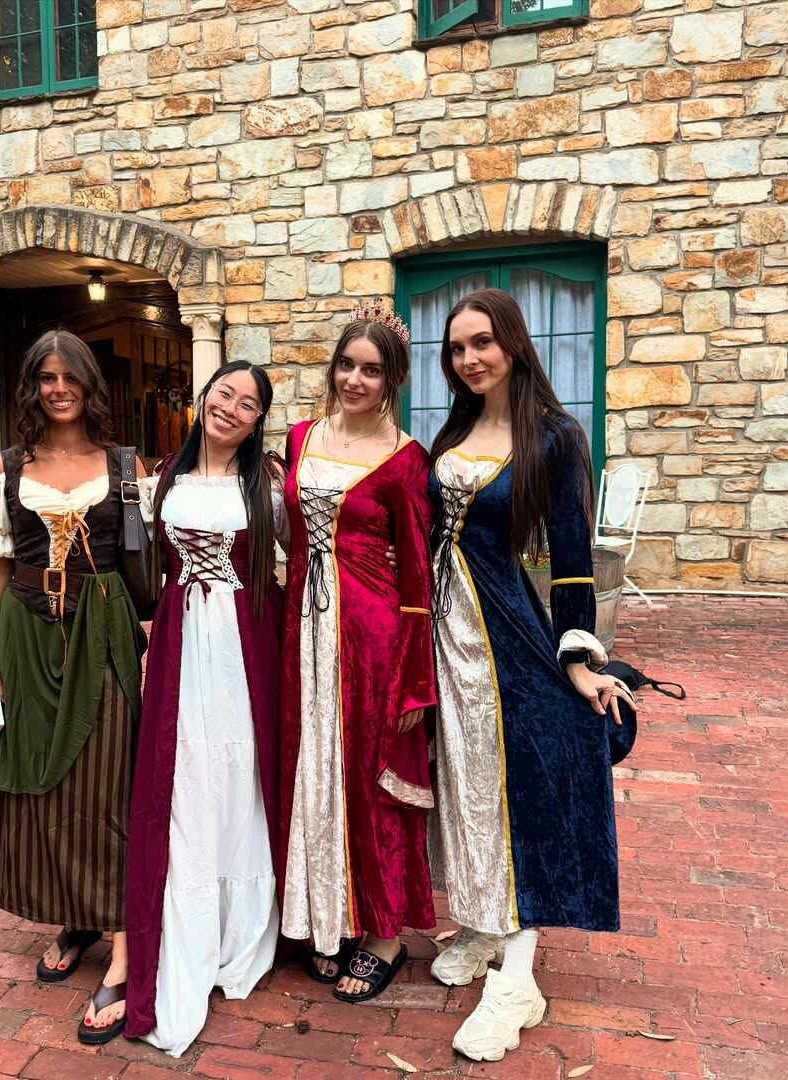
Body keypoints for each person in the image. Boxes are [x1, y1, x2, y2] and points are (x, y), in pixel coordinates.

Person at [425, 289, 635, 1062]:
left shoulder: (554, 437)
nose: (469, 358)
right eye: (456, 348)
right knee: (463, 781)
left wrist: (578, 659)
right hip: (437, 633)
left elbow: (573, 559)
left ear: (513, 342)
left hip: (504, 634)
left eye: (481, 342)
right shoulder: (454, 429)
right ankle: (484, 922)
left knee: (523, 787)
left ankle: (518, 980)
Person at [0, 329, 147, 1046]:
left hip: (103, 633)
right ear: (33, 387)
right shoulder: (7, 467)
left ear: (90, 384)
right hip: (25, 634)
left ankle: (125, 946)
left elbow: (153, 559)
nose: (59, 388)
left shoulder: (126, 465)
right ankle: (76, 916)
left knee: (109, 782)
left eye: (70, 376)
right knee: (42, 783)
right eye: (46, 377)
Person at [123, 362, 285, 1056]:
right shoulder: (163, 478)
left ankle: (241, 929)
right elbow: (144, 566)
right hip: (182, 642)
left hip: (244, 644)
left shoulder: (267, 485)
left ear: (258, 421)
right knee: (185, 773)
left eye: (248, 404)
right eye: (225, 394)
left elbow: (306, 559)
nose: (231, 408)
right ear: (204, 397)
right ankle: (189, 921)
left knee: (240, 771)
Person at [278, 302, 437, 1004]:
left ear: (392, 379)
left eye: (371, 370)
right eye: (346, 364)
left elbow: (417, 577)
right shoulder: (300, 438)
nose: (355, 379)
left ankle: (384, 935)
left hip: (372, 639)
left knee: (369, 780)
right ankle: (324, 917)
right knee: (310, 769)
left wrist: (414, 679)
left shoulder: (405, 460)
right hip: (302, 633)